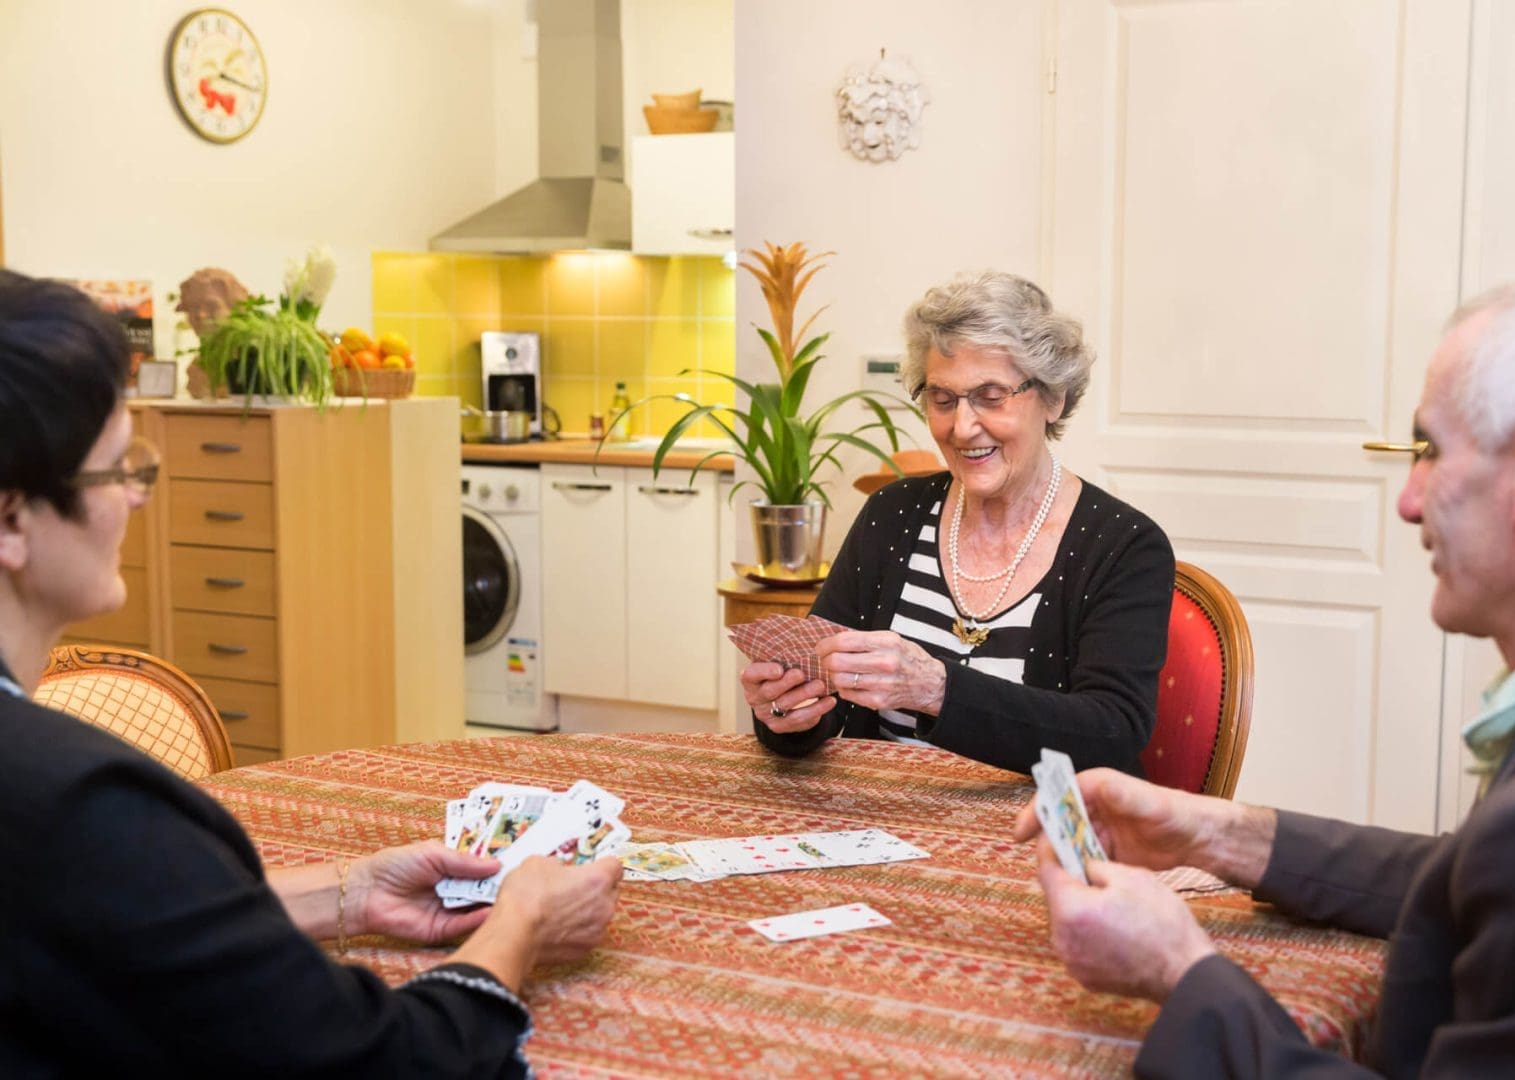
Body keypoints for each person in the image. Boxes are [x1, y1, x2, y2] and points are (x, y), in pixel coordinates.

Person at [0, 269, 622, 1077]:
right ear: (13, 519)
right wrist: (521, 925)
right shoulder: (82, 804)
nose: (139, 499)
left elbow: (116, 930)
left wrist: (349, 893)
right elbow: (386, 1061)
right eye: (118, 470)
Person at [1015, 276, 1515, 1075]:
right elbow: (1477, 874)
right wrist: (1217, 831)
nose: (1406, 502)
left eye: (1430, 451)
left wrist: (1182, 972)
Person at [746, 271, 1175, 775]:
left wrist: (935, 688)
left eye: (991, 396)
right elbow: (828, 699)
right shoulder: (892, 514)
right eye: (942, 399)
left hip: (1034, 831)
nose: (961, 427)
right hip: (881, 821)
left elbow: (1112, 732)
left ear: (1053, 397)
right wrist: (787, 714)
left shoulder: (1124, 546)